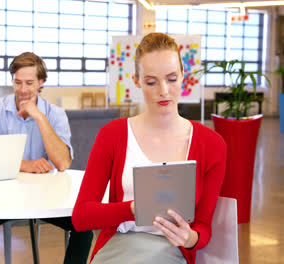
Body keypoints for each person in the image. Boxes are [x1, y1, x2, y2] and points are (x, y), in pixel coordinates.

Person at [72, 32, 227, 264]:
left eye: (172, 79)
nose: (163, 90)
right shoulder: (112, 135)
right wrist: (135, 208)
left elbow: (203, 227)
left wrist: (190, 238)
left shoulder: (212, 145)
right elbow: (81, 217)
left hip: (172, 251)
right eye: (151, 82)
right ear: (137, 81)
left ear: (183, 75)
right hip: (119, 247)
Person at [0, 52, 93, 264]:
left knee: (84, 224)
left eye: (30, 83)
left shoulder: (55, 114)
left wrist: (38, 116)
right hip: (3, 196)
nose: (23, 90)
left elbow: (63, 163)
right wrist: (25, 165)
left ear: (41, 82)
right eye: (18, 82)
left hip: (46, 197)